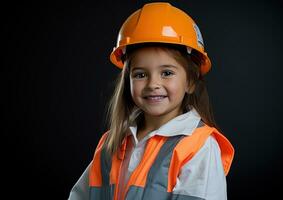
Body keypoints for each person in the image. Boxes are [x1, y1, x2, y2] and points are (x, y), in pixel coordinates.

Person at [68, 2, 234, 200]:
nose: (153, 84)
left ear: (190, 81)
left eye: (166, 73)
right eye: (140, 75)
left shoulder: (199, 146)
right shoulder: (111, 143)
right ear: (127, 81)